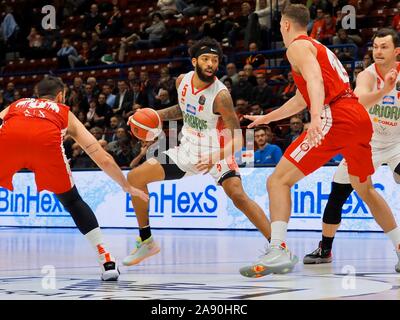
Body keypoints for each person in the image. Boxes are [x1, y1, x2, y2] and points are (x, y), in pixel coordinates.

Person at [240, 3, 400, 278]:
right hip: (359, 120)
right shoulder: (318, 47)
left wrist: (315, 116)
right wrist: (268, 117)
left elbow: (314, 80)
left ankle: (278, 248)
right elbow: (301, 96)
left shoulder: (297, 47)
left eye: (280, 25)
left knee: (277, 180)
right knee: (365, 190)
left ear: (286, 25)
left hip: (335, 116)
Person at [122, 37, 271, 266]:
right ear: (194, 61)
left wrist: (216, 156)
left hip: (218, 150)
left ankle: (278, 246)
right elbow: (182, 109)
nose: (210, 64)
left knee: (238, 197)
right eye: (205, 59)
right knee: (134, 178)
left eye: (214, 60)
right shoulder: (182, 81)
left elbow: (239, 140)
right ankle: (146, 241)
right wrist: (151, 115)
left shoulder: (221, 96)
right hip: (188, 150)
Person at [0, 76, 148, 281]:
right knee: (72, 201)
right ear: (60, 95)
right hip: (46, 148)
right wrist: (126, 185)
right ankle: (106, 259)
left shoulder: (17, 104)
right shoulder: (63, 112)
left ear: (36, 94)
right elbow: (99, 155)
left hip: (8, 143)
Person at [303, 28, 400, 268]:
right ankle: (325, 249)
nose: (378, 51)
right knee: (336, 196)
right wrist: (385, 90)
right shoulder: (367, 75)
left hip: (397, 143)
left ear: (397, 51)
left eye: (384, 47)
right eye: (375, 46)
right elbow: (359, 101)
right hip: (365, 144)